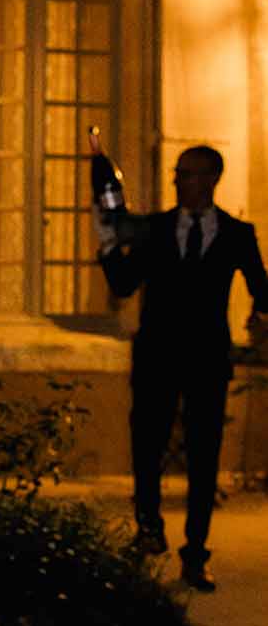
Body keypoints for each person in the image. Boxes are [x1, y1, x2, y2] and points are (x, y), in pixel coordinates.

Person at [99, 144, 268, 592]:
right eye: (178, 174)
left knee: (204, 455)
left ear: (213, 178)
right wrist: (109, 245)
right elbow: (123, 283)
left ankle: (196, 552)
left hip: (207, 359)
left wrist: (259, 318)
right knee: (147, 447)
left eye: (188, 174)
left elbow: (262, 289)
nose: (178, 181)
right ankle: (148, 529)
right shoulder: (155, 228)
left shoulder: (237, 234)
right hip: (156, 355)